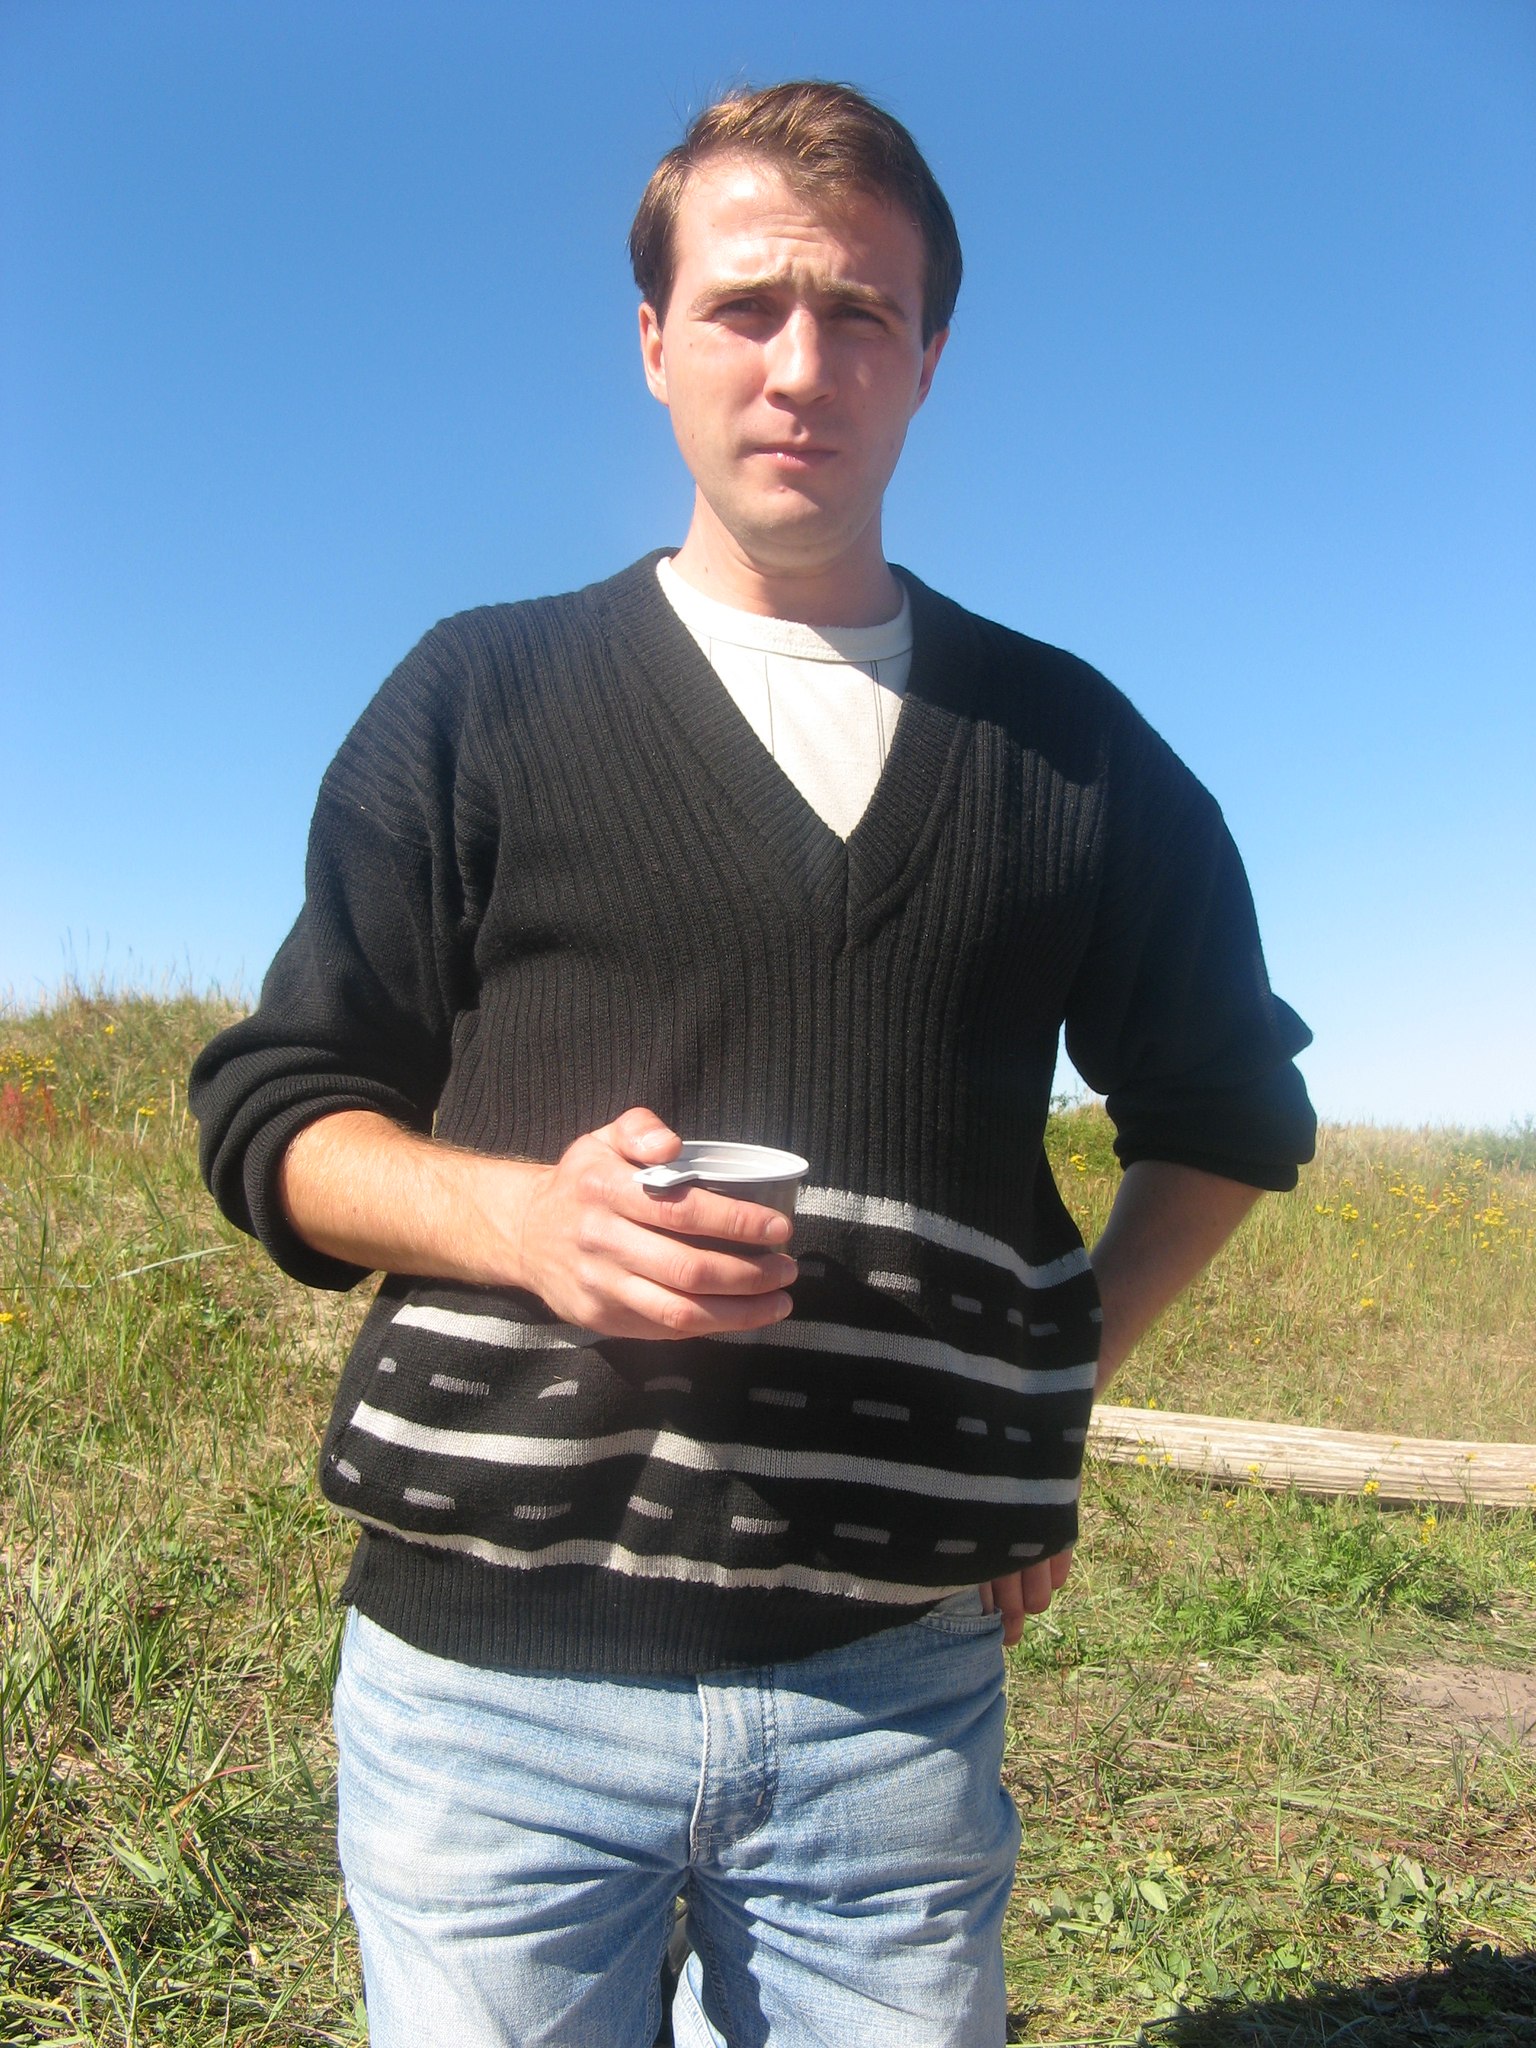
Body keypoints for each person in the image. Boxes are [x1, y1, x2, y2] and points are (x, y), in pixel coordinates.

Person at [190, 79, 1315, 2048]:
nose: (802, 365)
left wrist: (1042, 1390)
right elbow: (274, 1115)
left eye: (861, 312)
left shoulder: (1073, 753)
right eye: (744, 306)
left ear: (931, 358)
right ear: (653, 342)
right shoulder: (477, 697)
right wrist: (524, 1222)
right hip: (488, 1701)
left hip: (892, 1696)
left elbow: (1227, 1112)